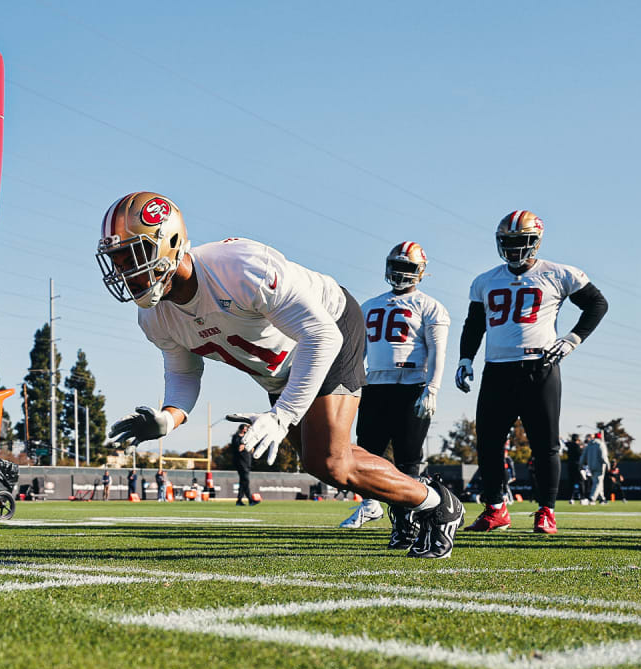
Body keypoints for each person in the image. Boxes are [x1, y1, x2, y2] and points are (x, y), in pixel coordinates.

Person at [100, 192, 464, 559]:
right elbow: (184, 373)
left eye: (131, 255)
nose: (123, 271)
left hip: (329, 327)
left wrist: (283, 415)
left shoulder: (239, 268)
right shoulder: (154, 316)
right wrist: (168, 418)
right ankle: (408, 497)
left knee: (330, 461)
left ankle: (439, 505)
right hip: (280, 367)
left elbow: (322, 335)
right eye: (116, 260)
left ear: (170, 244)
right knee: (322, 460)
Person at [457, 211, 607, 534]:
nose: (512, 248)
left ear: (535, 241)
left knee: (545, 444)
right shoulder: (484, 280)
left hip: (540, 367)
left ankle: (546, 511)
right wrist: (465, 358)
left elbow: (597, 304)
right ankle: (496, 509)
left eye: (519, 241)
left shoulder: (557, 273)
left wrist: (572, 339)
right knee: (488, 442)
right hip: (496, 369)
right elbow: (473, 324)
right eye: (507, 242)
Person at [340, 242, 449, 550]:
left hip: (411, 385)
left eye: (408, 268)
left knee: (408, 461)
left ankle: (406, 526)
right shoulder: (369, 305)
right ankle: (377, 508)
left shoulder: (430, 306)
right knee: (367, 455)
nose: (401, 273)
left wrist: (433, 388)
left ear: (421, 272)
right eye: (396, 266)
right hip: (374, 387)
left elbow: (438, 351)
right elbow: (357, 353)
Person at [230, 423, 258, 506]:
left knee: (243, 482)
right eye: (244, 429)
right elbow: (239, 448)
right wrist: (244, 445)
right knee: (246, 481)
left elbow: (252, 448)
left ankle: (239, 501)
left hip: (247, 462)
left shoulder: (248, 438)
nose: (245, 431)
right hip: (240, 462)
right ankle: (250, 499)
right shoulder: (236, 437)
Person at [583, 431, 609, 504]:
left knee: (598, 482)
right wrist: (607, 464)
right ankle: (592, 498)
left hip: (591, 466)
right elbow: (604, 457)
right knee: (598, 482)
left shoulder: (589, 444)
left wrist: (580, 464)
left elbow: (583, 455)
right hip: (599, 467)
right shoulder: (600, 444)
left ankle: (602, 498)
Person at [564, 434, 586, 504]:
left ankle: (571, 498)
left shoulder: (569, 445)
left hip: (570, 466)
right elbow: (582, 454)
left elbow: (566, 443)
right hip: (578, 466)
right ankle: (582, 498)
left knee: (571, 482)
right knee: (581, 482)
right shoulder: (578, 446)